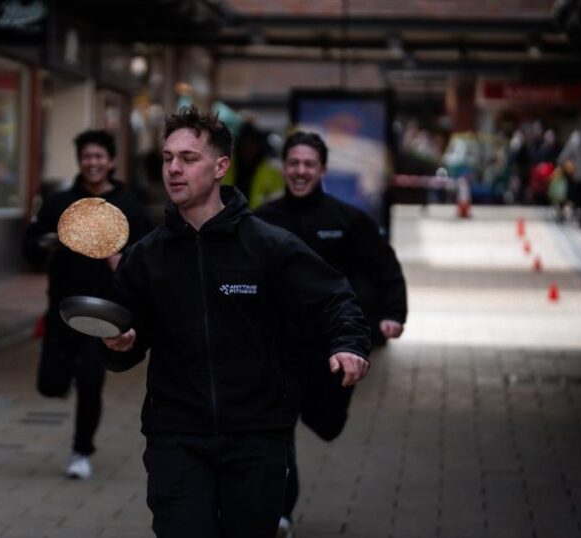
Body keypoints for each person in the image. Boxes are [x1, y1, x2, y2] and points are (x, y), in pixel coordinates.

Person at [100, 107, 371, 537]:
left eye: (188, 159)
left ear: (220, 166)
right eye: (168, 157)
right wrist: (119, 344)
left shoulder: (266, 245)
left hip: (256, 435)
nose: (173, 169)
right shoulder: (147, 256)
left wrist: (349, 344)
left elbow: (334, 297)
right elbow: (124, 336)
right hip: (176, 436)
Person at [254, 131, 408, 536]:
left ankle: (318, 407)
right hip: (282, 346)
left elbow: (385, 267)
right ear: (284, 167)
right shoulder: (263, 222)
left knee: (326, 423)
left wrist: (392, 313)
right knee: (278, 425)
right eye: (294, 163)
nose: (300, 171)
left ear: (321, 169)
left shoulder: (347, 220)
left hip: (331, 348)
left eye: (309, 164)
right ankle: (281, 511)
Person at [22, 129, 151, 479]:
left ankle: (81, 451)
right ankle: (68, 380)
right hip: (64, 305)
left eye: (99, 157)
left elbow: (147, 259)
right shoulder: (61, 202)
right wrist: (47, 243)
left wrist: (121, 261)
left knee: (91, 379)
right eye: (87, 157)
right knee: (50, 383)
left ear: (110, 161)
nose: (93, 163)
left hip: (105, 311)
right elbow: (29, 246)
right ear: (80, 160)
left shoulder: (128, 206)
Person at [221, 121, 284, 209]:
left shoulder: (271, 168)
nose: (248, 148)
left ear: (258, 146)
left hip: (261, 217)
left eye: (252, 144)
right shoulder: (228, 165)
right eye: (245, 144)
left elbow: (278, 197)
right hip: (230, 216)